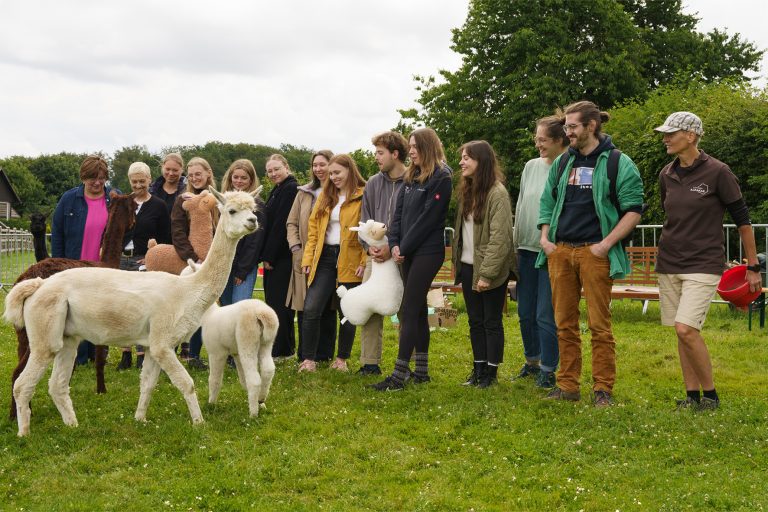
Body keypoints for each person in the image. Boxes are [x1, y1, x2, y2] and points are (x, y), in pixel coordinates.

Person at [537, 100, 644, 407]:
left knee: (599, 325)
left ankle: (602, 390)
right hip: (561, 252)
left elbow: (633, 210)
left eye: (572, 127)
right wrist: (546, 239)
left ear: (591, 126)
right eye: (566, 127)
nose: (567, 132)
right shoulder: (562, 163)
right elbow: (547, 202)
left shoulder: (617, 162)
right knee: (564, 322)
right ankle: (568, 385)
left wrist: (605, 245)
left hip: (595, 253)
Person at [653, 112, 761, 411]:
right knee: (680, 330)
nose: (665, 138)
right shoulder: (666, 174)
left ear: (691, 135)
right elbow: (670, 213)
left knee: (687, 329)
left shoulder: (719, 172)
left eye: (671, 133)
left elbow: (742, 220)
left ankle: (710, 396)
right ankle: (692, 396)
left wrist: (753, 266)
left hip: (704, 263)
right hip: (669, 261)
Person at [370, 127, 453, 391]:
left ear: (428, 147)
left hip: (427, 252)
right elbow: (398, 215)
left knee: (408, 309)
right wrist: (394, 243)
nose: (412, 151)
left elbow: (428, 219)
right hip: (406, 250)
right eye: (411, 146)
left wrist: (402, 246)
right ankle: (421, 370)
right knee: (416, 311)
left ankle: (398, 375)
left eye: (416, 146)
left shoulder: (442, 176)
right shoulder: (410, 175)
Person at [452, 140, 515, 388]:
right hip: (468, 267)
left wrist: (487, 274)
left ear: (482, 161)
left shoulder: (497, 193)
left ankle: (491, 374)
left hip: (490, 270)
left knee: (491, 321)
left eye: (467, 157)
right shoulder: (467, 191)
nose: (461, 162)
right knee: (474, 321)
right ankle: (478, 370)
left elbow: (500, 239)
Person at [512, 115, 569, 388]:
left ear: (560, 141)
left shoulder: (568, 166)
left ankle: (549, 368)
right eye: (536, 139)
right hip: (525, 248)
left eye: (543, 140)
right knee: (524, 311)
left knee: (544, 313)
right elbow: (522, 204)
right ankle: (531, 361)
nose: (538, 145)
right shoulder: (531, 166)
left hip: (550, 251)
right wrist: (514, 243)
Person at [299, 154, 367, 372]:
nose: (333, 177)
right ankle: (308, 360)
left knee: (347, 311)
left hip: (351, 258)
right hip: (325, 257)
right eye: (331, 174)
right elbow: (313, 232)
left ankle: (341, 360)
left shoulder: (363, 195)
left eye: (337, 172)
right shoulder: (325, 196)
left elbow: (369, 229)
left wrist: (364, 260)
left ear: (349, 170)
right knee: (311, 307)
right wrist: (308, 258)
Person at [51, 155, 117, 365]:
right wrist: (58, 264)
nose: (97, 183)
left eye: (101, 178)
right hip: (74, 265)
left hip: (102, 268)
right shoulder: (68, 199)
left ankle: (98, 355)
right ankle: (77, 355)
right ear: (83, 177)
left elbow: (127, 227)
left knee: (101, 310)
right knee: (76, 311)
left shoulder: (114, 198)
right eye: (92, 178)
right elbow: (58, 233)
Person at [356, 132, 408, 375]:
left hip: (403, 255)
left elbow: (416, 222)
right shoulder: (373, 183)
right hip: (374, 257)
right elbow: (363, 220)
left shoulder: (414, 180)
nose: (376, 157)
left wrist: (394, 247)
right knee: (369, 307)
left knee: (406, 309)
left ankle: (406, 363)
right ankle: (369, 363)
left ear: (394, 154)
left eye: (380, 152)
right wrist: (370, 248)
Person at [116, 161, 171, 370]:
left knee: (140, 309)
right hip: (122, 259)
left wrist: (151, 255)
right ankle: (125, 353)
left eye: (142, 181)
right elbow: (112, 231)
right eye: (134, 181)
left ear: (149, 179)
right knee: (122, 307)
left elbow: (165, 237)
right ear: (129, 181)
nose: (138, 185)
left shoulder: (158, 205)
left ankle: (141, 354)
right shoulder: (122, 203)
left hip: (143, 260)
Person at [286, 150, 337, 363]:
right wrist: (296, 248)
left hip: (330, 255)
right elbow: (292, 222)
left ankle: (324, 354)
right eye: (315, 165)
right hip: (305, 257)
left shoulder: (339, 192)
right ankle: (305, 354)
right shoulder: (304, 192)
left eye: (322, 164)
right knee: (307, 306)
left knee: (328, 306)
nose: (318, 169)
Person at [172, 156, 217, 370]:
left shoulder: (216, 198)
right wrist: (193, 257)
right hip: (190, 262)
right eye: (190, 175)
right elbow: (177, 230)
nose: (194, 178)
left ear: (208, 173)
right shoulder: (183, 200)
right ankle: (183, 353)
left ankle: (216, 352)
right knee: (184, 306)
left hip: (214, 259)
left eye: (198, 174)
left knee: (210, 306)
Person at [261, 154, 299, 359]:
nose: (273, 173)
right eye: (270, 171)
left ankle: (282, 349)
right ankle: (285, 347)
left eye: (277, 169)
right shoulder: (278, 189)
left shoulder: (290, 189)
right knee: (275, 301)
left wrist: (269, 256)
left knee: (278, 303)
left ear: (286, 167)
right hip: (276, 256)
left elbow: (280, 225)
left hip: (281, 256)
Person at [219, 159, 266, 306]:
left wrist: (242, 270)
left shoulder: (256, 205)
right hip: (225, 265)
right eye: (236, 177)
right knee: (225, 308)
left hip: (244, 268)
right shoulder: (224, 203)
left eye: (244, 178)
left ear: (251, 180)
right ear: (230, 178)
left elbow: (255, 241)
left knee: (239, 307)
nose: (239, 181)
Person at [149, 153, 186, 240]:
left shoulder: (187, 192)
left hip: (180, 243)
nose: (171, 173)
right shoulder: (151, 191)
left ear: (181, 170)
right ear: (162, 167)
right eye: (167, 169)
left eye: (175, 170)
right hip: (155, 243)